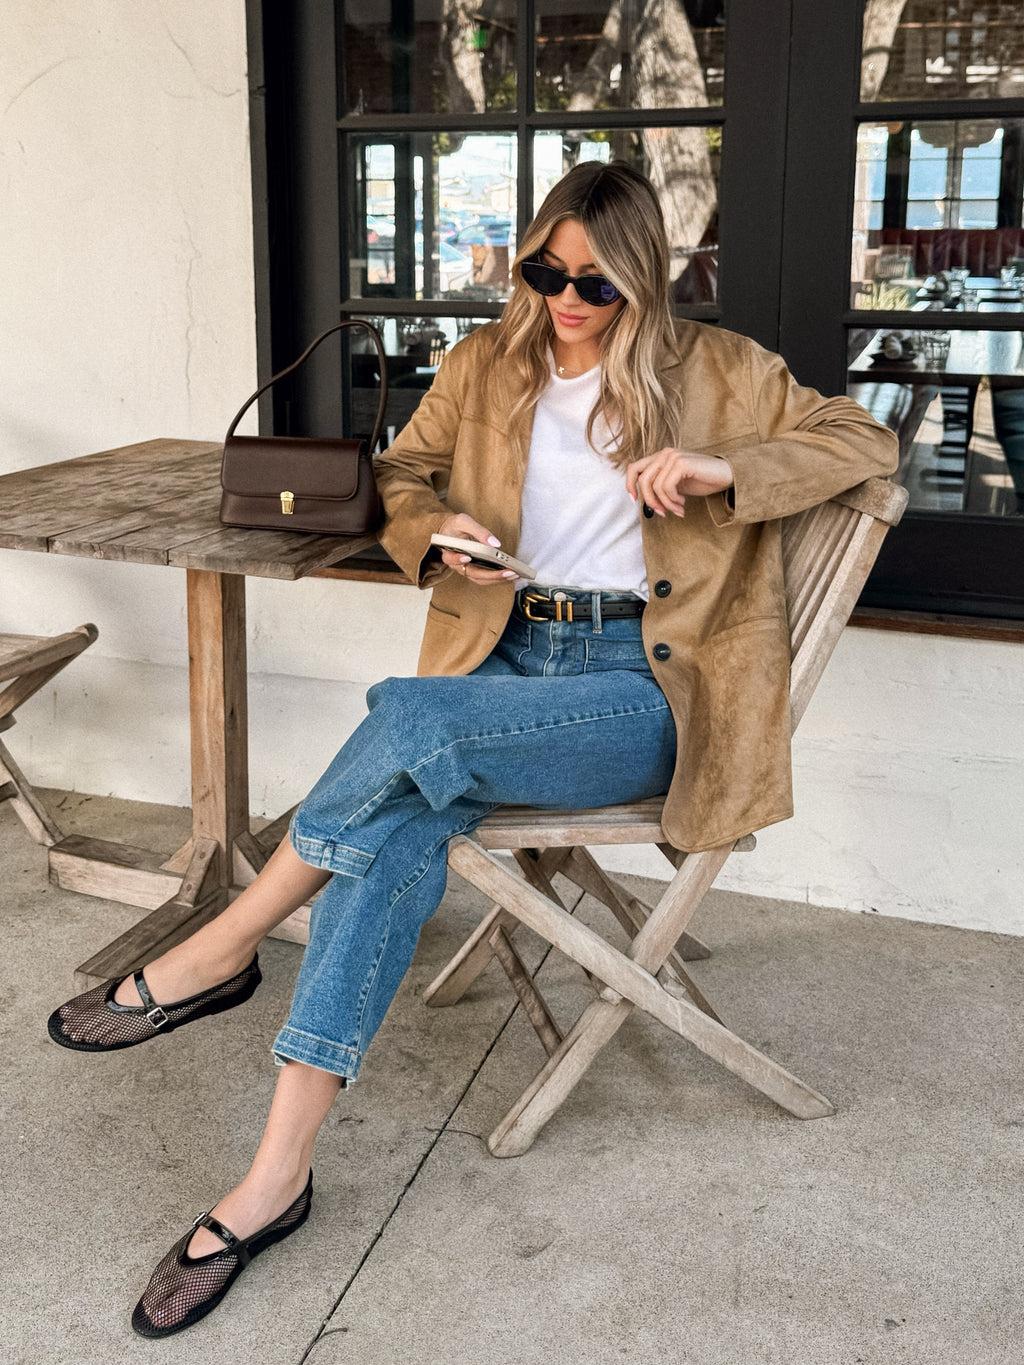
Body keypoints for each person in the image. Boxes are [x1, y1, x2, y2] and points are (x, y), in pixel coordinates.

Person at [47, 161, 898, 1337]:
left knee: (403, 716)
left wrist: (724, 468)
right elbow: (396, 475)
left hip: (640, 696)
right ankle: (271, 1181)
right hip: (499, 665)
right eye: (543, 272)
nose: (561, 300)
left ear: (642, 275)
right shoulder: (487, 365)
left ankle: (225, 943)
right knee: (395, 814)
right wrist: (437, 535)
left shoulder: (725, 372)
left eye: (591, 283)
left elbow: (864, 440)